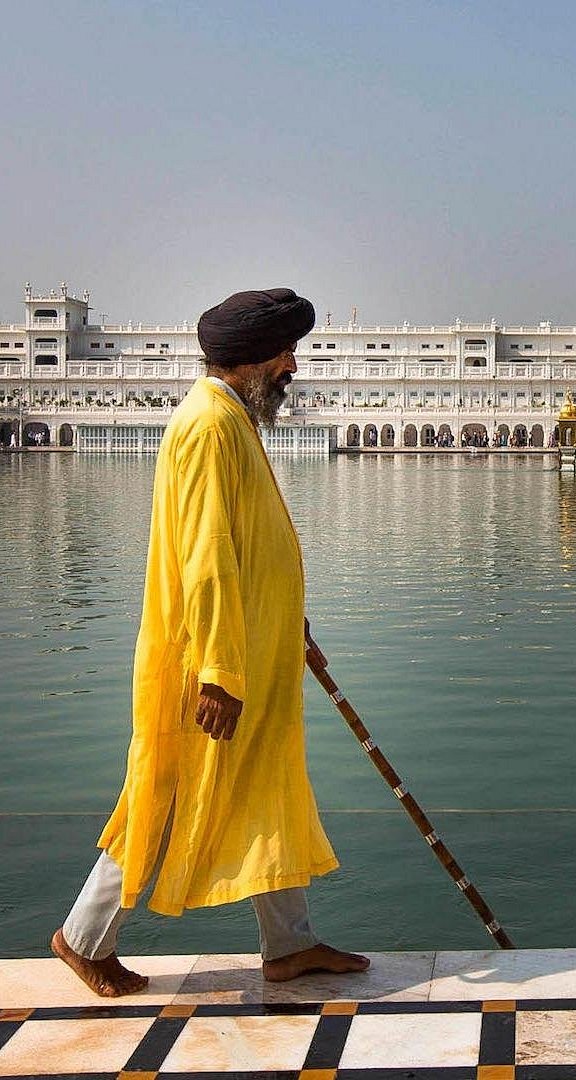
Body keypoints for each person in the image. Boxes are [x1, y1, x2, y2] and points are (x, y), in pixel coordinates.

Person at [52, 288, 369, 997]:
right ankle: (82, 938)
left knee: (265, 791)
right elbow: (205, 557)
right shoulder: (207, 425)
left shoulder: (231, 417)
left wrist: (292, 627)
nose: (293, 364)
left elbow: (249, 547)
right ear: (252, 357)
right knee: (165, 792)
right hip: (211, 663)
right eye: (286, 351)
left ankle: (288, 947)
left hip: (255, 650)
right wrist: (220, 673)